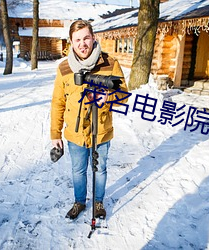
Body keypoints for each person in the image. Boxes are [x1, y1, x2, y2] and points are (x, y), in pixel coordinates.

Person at [50, 20, 129, 220]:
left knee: (99, 169)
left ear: (94, 38)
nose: (82, 44)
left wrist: (107, 98)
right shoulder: (64, 68)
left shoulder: (110, 63)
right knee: (78, 170)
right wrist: (55, 134)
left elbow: (124, 94)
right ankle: (79, 202)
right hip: (75, 133)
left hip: (101, 130)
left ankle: (98, 202)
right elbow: (58, 102)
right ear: (71, 42)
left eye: (86, 38)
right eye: (77, 40)